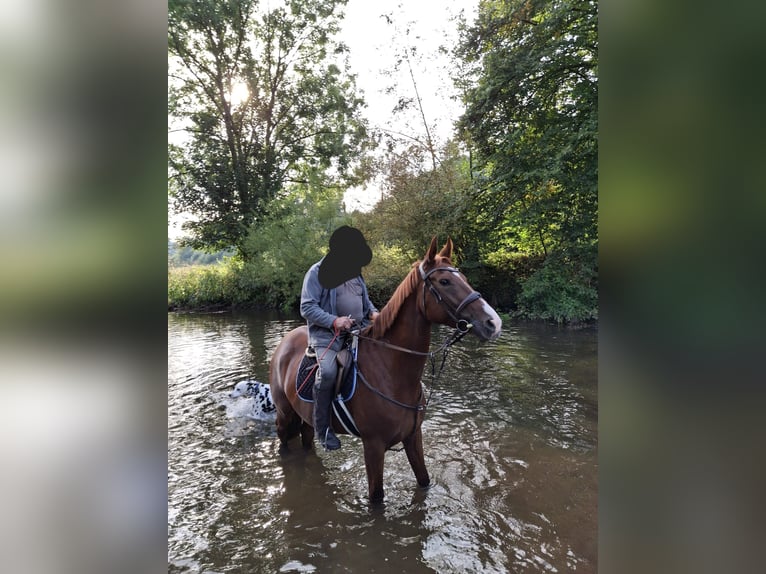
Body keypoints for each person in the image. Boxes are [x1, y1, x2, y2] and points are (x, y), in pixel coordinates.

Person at [300, 226, 379, 450]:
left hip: (359, 332)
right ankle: (323, 430)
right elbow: (307, 308)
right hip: (327, 337)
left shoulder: (355, 273)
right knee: (328, 372)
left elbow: (365, 302)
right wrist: (335, 321)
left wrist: (374, 313)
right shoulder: (316, 272)